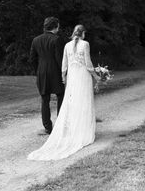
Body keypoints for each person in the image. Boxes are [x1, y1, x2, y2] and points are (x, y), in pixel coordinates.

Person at [28, 24, 100, 161]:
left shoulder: (65, 45)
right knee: (81, 101)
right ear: (83, 33)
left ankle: (53, 127)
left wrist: (63, 76)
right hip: (82, 76)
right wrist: (96, 76)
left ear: (73, 33)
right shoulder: (84, 44)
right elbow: (88, 64)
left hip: (66, 76)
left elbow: (63, 65)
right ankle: (81, 130)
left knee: (59, 101)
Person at [29, 17, 65, 134]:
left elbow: (32, 59)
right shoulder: (57, 39)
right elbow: (60, 59)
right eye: (58, 26)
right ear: (55, 27)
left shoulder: (36, 40)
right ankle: (60, 125)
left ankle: (48, 127)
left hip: (42, 72)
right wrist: (64, 73)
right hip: (55, 72)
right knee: (61, 97)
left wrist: (38, 71)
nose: (59, 28)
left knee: (45, 100)